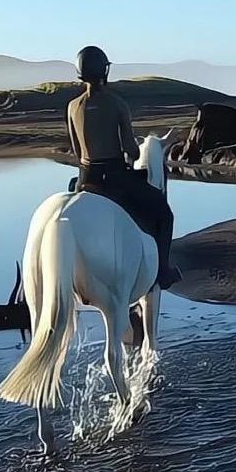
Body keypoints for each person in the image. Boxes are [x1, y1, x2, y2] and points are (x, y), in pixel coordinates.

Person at [67, 45, 179, 289]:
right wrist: (137, 152)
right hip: (115, 178)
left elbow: (77, 151)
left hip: (86, 179)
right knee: (164, 214)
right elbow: (131, 148)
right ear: (104, 72)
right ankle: (162, 271)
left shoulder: (72, 106)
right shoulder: (116, 103)